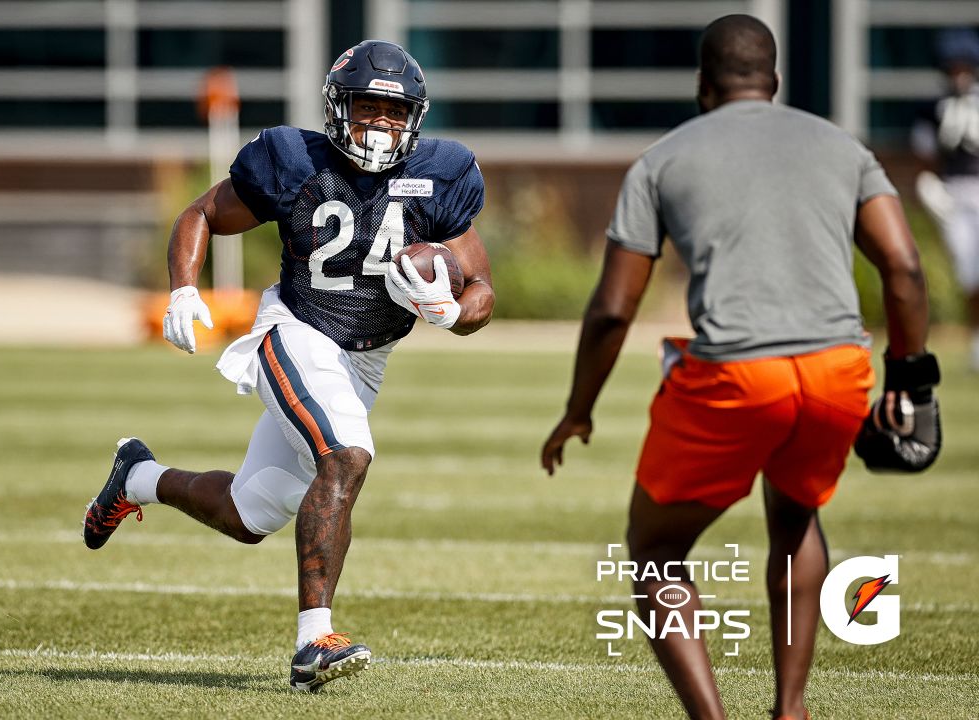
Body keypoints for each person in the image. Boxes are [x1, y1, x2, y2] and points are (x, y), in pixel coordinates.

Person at [540, 15, 938, 720]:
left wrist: (578, 408)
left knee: (656, 551)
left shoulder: (662, 158)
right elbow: (903, 269)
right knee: (795, 517)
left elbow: (611, 309)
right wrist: (913, 382)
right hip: (838, 369)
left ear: (703, 85)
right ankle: (791, 710)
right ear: (775, 81)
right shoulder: (842, 146)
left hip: (735, 376)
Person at [81, 40, 493, 692]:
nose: (381, 123)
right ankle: (313, 644)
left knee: (251, 514)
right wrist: (184, 288)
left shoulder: (439, 173)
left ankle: (138, 476)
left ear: (414, 116)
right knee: (348, 453)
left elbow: (482, 290)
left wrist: (450, 311)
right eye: (368, 106)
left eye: (395, 111)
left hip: (366, 361)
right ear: (338, 107)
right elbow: (201, 214)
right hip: (295, 332)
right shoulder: (295, 161)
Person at [911, 28, 979, 371]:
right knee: (968, 270)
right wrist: (931, 188)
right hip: (955, 192)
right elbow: (925, 158)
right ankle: (976, 341)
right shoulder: (932, 110)